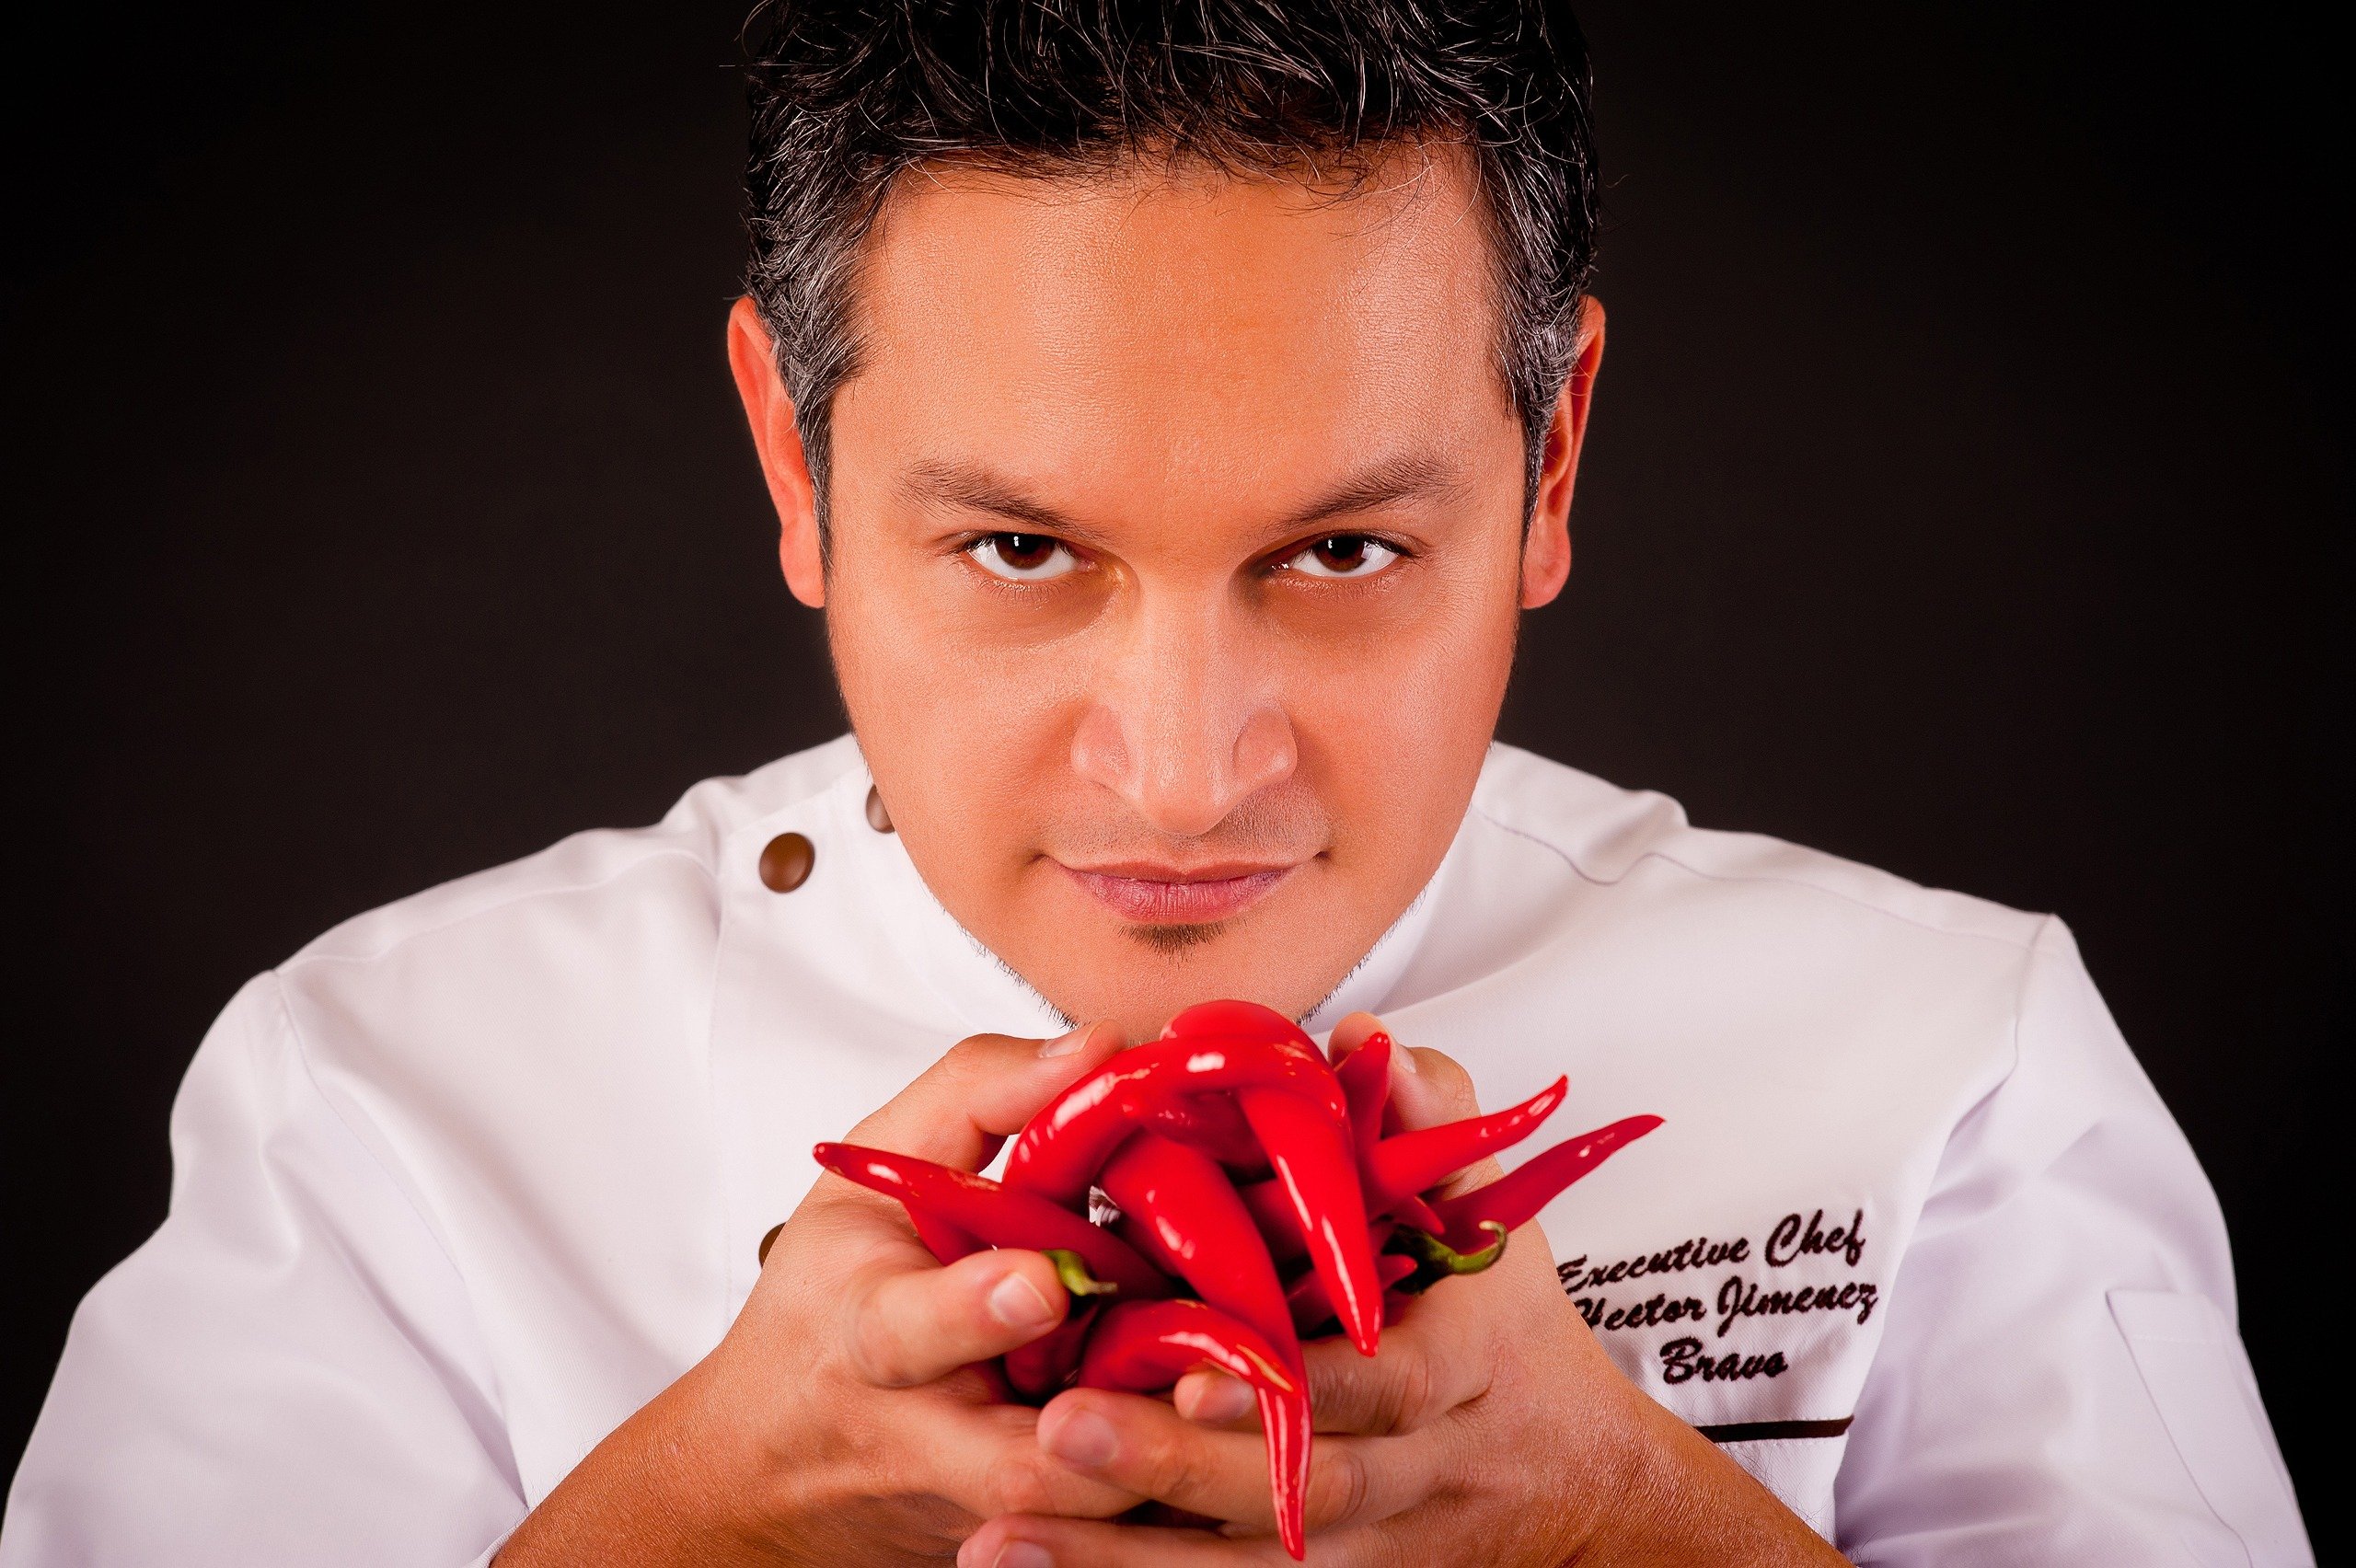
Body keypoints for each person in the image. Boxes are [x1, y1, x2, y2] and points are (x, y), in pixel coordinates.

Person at [1, 2, 2312, 1564]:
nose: (1187, 774)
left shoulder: (1948, 1061)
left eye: (1341, 552)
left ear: (1550, 462)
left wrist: (1631, 1524)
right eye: (1020, 551)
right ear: (792, 466)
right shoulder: (384, 1098)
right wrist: (681, 1519)